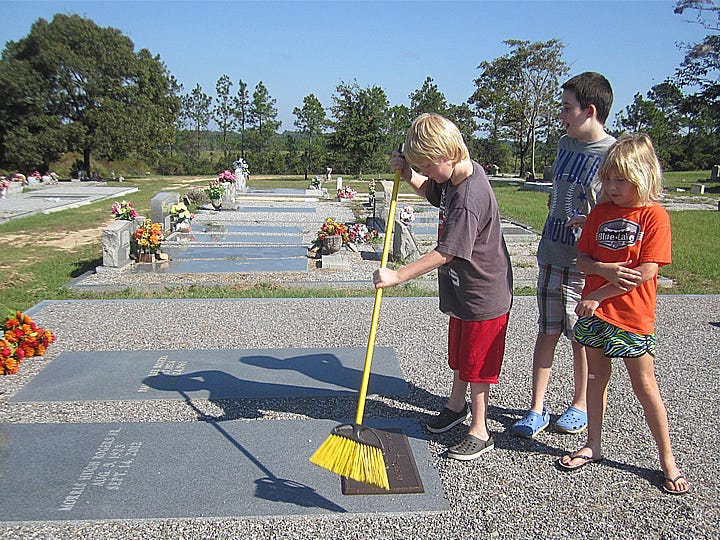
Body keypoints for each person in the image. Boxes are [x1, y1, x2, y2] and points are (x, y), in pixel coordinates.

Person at [373, 113, 513, 461]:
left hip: (484, 294)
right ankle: (455, 406)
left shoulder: (469, 196)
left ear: (447, 154)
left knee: (478, 365)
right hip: (464, 290)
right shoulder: (455, 177)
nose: (427, 172)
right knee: (461, 355)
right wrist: (408, 175)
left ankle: (481, 430)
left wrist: (398, 275)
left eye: (427, 165)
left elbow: (447, 252)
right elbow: (433, 193)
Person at [557, 133, 689, 496]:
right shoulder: (600, 212)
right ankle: (593, 445)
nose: (612, 187)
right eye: (609, 179)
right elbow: (582, 258)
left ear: (643, 176)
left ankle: (667, 460)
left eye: (621, 180)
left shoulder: (654, 216)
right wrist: (606, 269)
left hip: (630, 316)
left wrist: (600, 292)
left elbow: (645, 272)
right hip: (595, 314)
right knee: (596, 379)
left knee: (645, 387)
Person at [512, 72, 616, 439]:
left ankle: (580, 405)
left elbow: (618, 210)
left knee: (580, 337)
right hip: (551, 253)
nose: (562, 115)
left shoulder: (611, 155)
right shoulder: (564, 145)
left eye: (567, 108)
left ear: (590, 111)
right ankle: (537, 408)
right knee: (547, 331)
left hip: (581, 263)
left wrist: (590, 221)